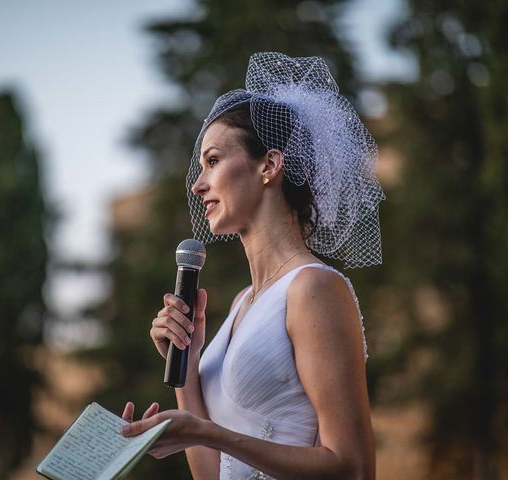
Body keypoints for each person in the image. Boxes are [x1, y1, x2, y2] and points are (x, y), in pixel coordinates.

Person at [120, 52, 385, 480]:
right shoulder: (244, 302)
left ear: (270, 165)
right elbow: (212, 475)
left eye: (213, 161)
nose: (197, 183)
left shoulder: (313, 288)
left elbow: (352, 468)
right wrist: (185, 371)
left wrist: (213, 434)